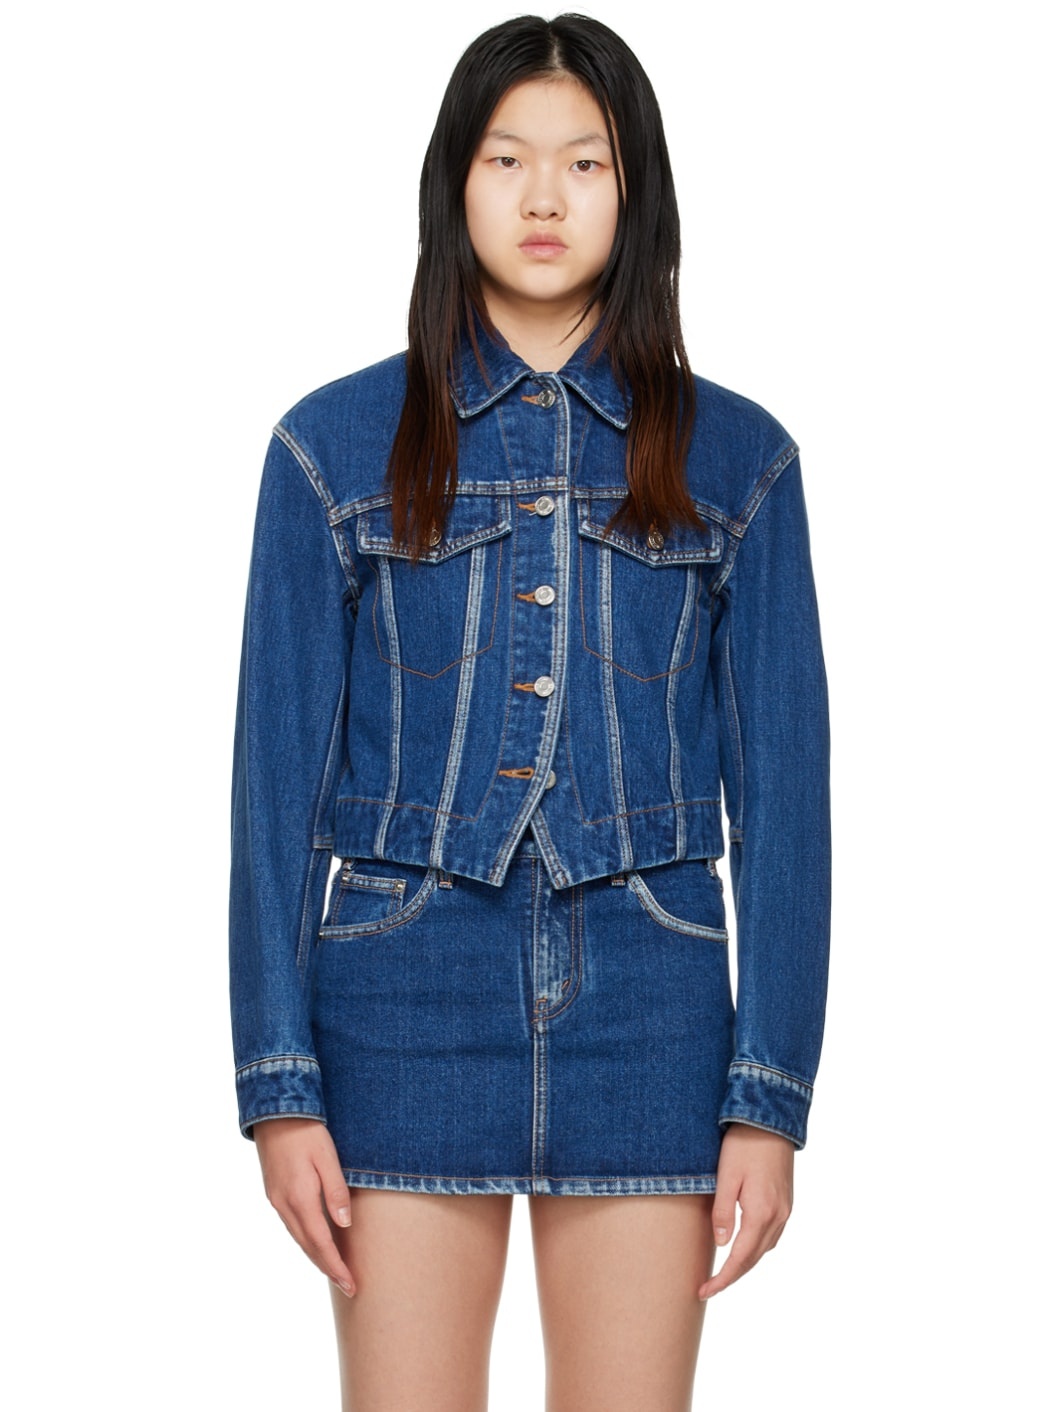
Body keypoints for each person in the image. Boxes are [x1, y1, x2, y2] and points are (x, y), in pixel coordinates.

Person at [229, 13, 830, 1411]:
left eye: (585, 162)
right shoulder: (331, 449)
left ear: (637, 191)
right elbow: (273, 790)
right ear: (455, 182)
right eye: (507, 159)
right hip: (398, 996)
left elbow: (787, 805)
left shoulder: (741, 460)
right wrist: (279, 1084)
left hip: (654, 1004)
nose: (544, 197)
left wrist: (769, 1096)